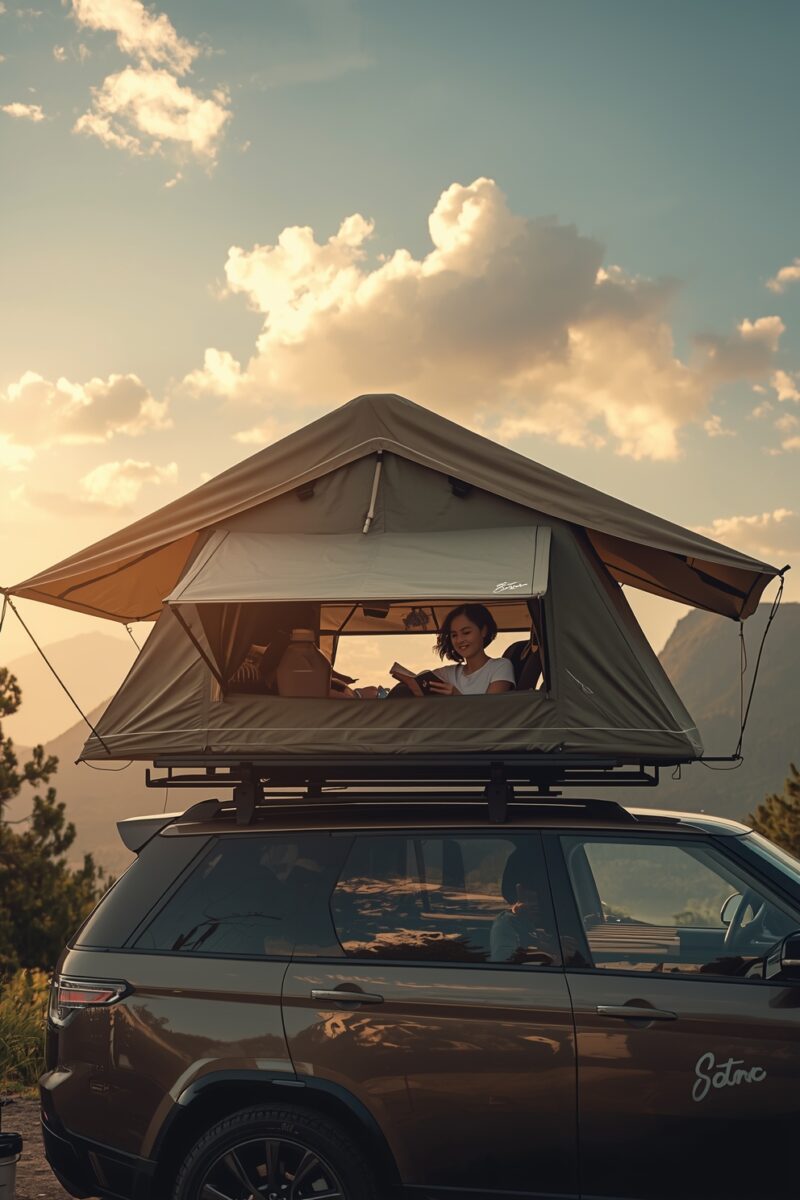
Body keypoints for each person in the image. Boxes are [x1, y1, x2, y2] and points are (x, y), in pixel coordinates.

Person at [393, 603, 515, 697]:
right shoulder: (448, 674)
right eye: (454, 635)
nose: (460, 640)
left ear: (483, 631)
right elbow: (419, 683)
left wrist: (456, 696)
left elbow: (493, 713)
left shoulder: (500, 667)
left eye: (466, 632)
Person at [489, 848, 556, 964]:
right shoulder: (506, 925)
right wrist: (553, 958)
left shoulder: (529, 925)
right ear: (518, 890)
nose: (536, 905)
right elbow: (504, 963)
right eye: (531, 899)